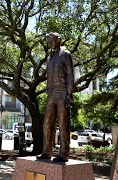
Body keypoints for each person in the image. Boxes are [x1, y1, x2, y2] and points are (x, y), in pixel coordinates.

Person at [37, 32, 74, 162]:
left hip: (63, 91)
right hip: (52, 93)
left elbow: (70, 74)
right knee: (47, 122)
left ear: (58, 40)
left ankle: (64, 153)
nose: (50, 42)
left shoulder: (65, 54)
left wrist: (70, 93)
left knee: (63, 123)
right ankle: (46, 151)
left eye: (52, 40)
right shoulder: (50, 57)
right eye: (49, 41)